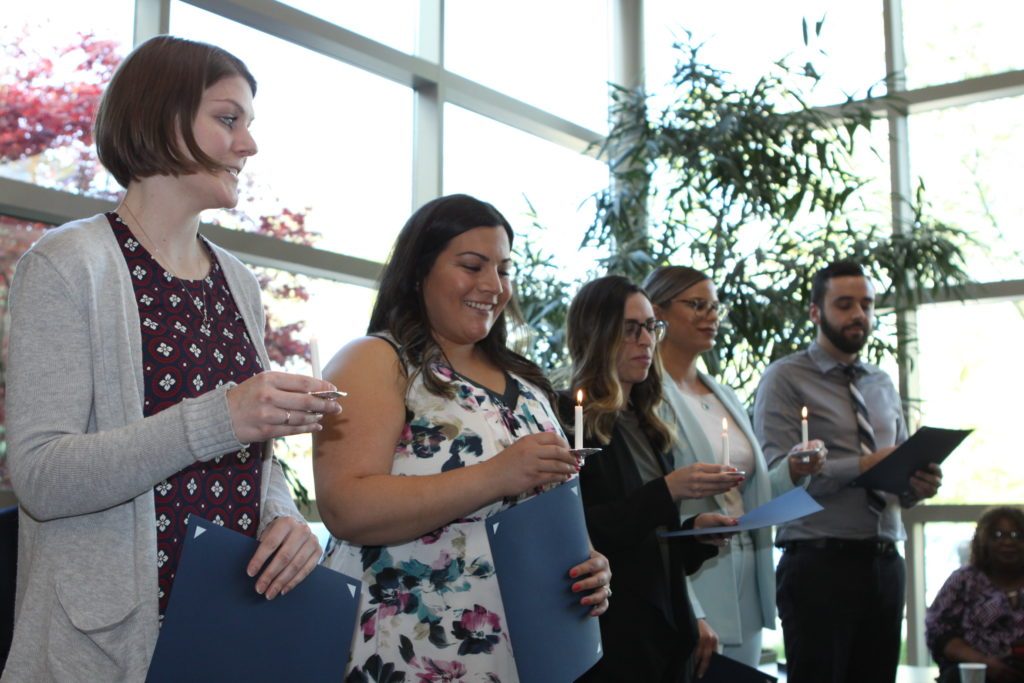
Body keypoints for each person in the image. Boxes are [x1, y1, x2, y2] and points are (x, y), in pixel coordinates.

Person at [1, 36, 340, 682]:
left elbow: (252, 446)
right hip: (100, 649)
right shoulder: (67, 266)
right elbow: (40, 475)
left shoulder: (239, 281)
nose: (249, 145)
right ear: (162, 115)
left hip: (225, 631)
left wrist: (284, 516)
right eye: (228, 118)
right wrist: (220, 416)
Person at [314, 194, 611, 681]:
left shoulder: (529, 383)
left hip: (525, 654)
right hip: (405, 650)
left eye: (504, 270)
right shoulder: (374, 360)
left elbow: (550, 506)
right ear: (418, 271)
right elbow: (345, 507)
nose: (493, 286)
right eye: (472, 266)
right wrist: (497, 474)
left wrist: (589, 562)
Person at [752, 259, 943, 683]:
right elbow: (774, 477)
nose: (859, 314)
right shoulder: (785, 378)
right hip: (819, 566)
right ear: (816, 312)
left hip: (885, 562)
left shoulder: (881, 382)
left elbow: (898, 466)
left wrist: (918, 484)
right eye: (845, 304)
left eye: (867, 304)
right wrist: (862, 466)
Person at [643, 265, 825, 670]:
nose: (711, 316)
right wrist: (689, 605)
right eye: (696, 305)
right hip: (696, 578)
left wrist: (793, 471)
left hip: (746, 571)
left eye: (714, 306)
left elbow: (748, 495)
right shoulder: (648, 397)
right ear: (658, 313)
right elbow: (650, 503)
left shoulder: (722, 393)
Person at [559, 275, 738, 683]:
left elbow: (651, 547)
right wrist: (668, 490)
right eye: (630, 329)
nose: (646, 340)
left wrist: (694, 536)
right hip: (615, 635)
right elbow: (581, 532)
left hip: (666, 633)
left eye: (651, 328)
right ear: (596, 333)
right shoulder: (570, 418)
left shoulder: (648, 422)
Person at [926, 506, 1024, 683]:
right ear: (983, 540)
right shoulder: (964, 580)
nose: (1008, 542)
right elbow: (939, 632)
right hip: (973, 669)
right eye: (998, 536)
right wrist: (984, 662)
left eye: (1017, 536)